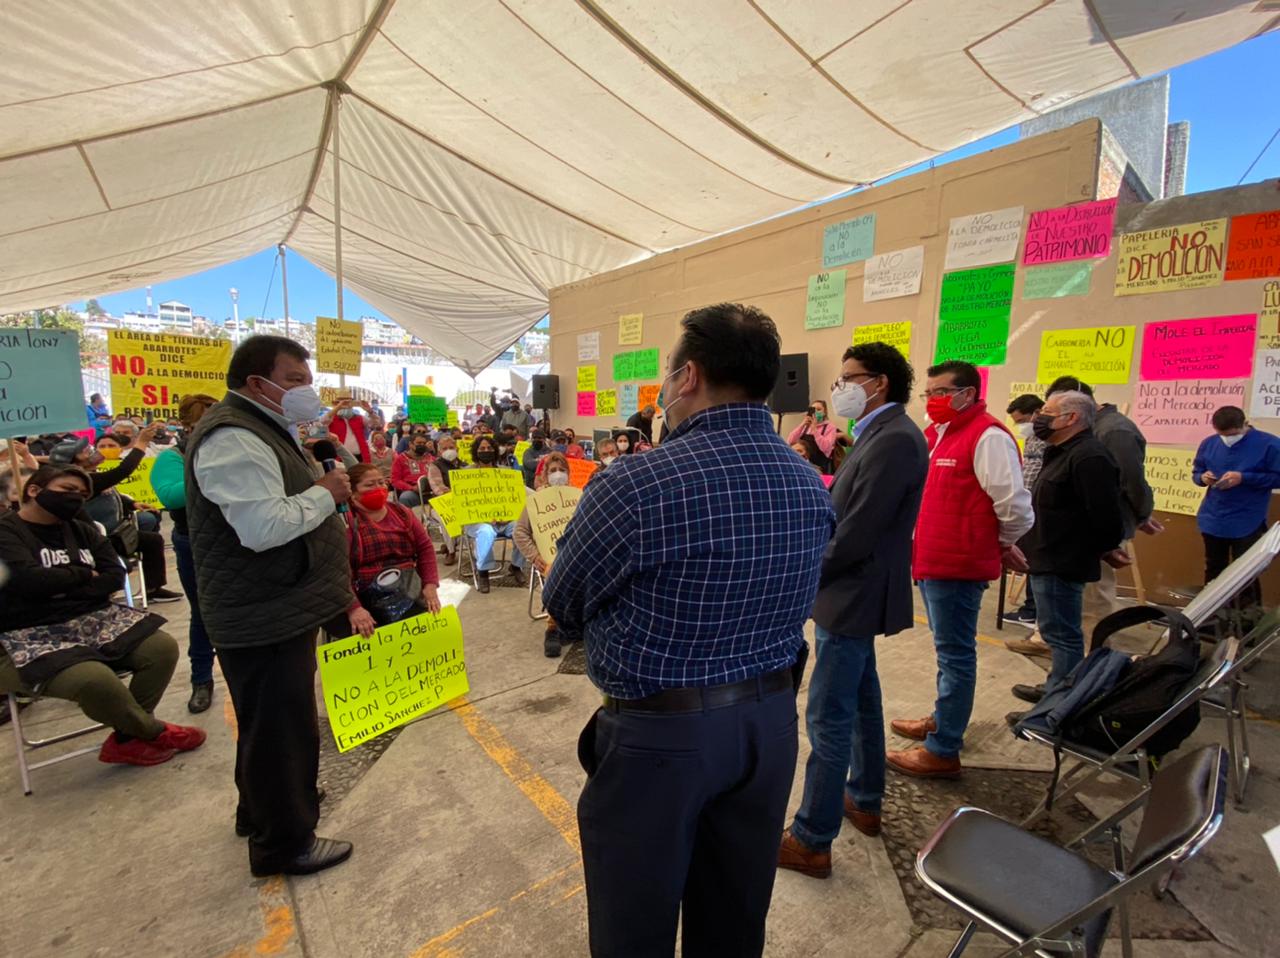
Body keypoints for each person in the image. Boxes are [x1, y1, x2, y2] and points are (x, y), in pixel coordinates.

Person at [545, 303, 834, 957]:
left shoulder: (635, 484)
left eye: (667, 374)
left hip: (660, 739)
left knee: (633, 928)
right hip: (769, 727)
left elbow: (564, 602)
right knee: (735, 917)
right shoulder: (808, 482)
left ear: (690, 377)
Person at [186, 335, 354, 877]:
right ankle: (283, 843)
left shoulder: (265, 429)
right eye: (294, 381)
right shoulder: (234, 437)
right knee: (282, 730)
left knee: (267, 727)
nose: (307, 391)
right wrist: (325, 493)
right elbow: (262, 527)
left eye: (309, 380)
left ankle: (261, 809)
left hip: (276, 604)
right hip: (264, 610)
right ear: (257, 383)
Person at [778, 342, 928, 879]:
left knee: (828, 715)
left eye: (849, 378)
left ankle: (812, 838)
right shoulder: (879, 434)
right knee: (862, 700)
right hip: (852, 593)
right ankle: (863, 797)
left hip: (853, 593)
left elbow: (855, 535)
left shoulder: (895, 440)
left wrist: (800, 577)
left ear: (879, 382)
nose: (839, 388)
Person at [0, 464, 205, 766]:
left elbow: (114, 575)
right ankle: (153, 732)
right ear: (34, 490)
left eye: (82, 495)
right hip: (25, 637)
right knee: (95, 680)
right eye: (68, 490)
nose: (76, 499)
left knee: (160, 649)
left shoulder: (80, 529)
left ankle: (127, 739)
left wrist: (61, 586)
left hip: (91, 621)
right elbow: (27, 581)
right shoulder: (7, 532)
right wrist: (84, 575)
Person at [887, 360, 1033, 780]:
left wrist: (999, 543)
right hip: (931, 560)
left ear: (967, 393)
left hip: (958, 565)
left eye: (941, 392)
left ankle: (943, 748)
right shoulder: (939, 435)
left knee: (955, 655)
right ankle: (943, 719)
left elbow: (1015, 507)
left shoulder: (987, 436)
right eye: (928, 393)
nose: (932, 400)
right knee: (946, 651)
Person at [1009, 391, 1128, 712]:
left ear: (1071, 418)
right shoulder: (1061, 451)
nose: (1039, 418)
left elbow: (1105, 515)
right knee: (1055, 632)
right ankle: (1057, 686)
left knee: (1063, 635)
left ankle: (1060, 704)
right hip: (1047, 557)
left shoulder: (1090, 457)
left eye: (1047, 412)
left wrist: (1105, 548)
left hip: (1062, 560)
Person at [149, 393, 220, 712]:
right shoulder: (173, 457)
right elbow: (172, 496)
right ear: (187, 425)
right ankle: (201, 678)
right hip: (194, 541)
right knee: (203, 613)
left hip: (237, 541)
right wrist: (216, 469)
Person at [1193, 406, 1280, 616]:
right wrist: (1202, 478)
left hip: (1247, 518)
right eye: (1222, 435)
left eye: (1232, 434)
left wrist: (1244, 478)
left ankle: (1248, 621)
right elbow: (1197, 472)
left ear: (1244, 425)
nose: (1227, 439)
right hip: (1213, 517)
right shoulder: (1209, 443)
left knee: (1244, 574)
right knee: (1214, 570)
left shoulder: (1270, 444)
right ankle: (1211, 619)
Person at [340, 465, 442, 638]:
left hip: (409, 590)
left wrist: (430, 585)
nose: (378, 488)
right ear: (353, 492)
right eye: (369, 485)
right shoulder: (346, 522)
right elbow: (340, 571)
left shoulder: (402, 513)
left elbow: (425, 548)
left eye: (381, 482)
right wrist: (354, 608)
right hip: (365, 600)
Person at [514, 452, 572, 657]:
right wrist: (534, 556)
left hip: (575, 556)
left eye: (562, 470)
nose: (558, 474)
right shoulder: (536, 501)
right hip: (549, 559)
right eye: (553, 470)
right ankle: (552, 628)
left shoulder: (578, 497)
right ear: (545, 475)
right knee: (557, 573)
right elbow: (520, 532)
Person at [1001, 393, 1047, 632]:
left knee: (1036, 561)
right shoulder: (1032, 439)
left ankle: (1033, 610)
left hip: (1039, 508)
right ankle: (1031, 608)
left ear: (1037, 413)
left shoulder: (1048, 439)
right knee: (1031, 559)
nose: (1020, 426)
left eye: (1022, 421)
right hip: (1028, 504)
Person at [462, 436, 528, 593]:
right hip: (477, 521)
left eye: (489, 448)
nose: (486, 451)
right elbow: (464, 503)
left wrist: (508, 516)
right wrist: (483, 517)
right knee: (486, 532)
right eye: (482, 448)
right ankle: (483, 572)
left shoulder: (505, 472)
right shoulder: (465, 474)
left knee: (522, 529)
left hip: (504, 520)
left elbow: (513, 499)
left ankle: (516, 566)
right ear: (476, 451)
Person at [426, 436, 462, 566]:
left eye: (451, 447)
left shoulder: (464, 466)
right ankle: (451, 551)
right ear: (439, 451)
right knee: (447, 518)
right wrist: (456, 494)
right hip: (442, 504)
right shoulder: (435, 466)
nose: (448, 450)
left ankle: (454, 545)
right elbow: (439, 488)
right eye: (444, 448)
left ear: (457, 449)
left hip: (462, 503)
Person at [786, 399, 846, 474]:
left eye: (819, 409)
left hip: (821, 468)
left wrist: (814, 429)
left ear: (824, 412)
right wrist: (802, 424)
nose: (816, 412)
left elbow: (826, 447)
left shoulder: (830, 427)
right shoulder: (806, 426)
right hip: (805, 465)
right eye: (813, 409)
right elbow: (790, 441)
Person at [322, 396, 384, 464]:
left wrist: (370, 412)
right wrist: (337, 408)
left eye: (348, 403)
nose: (345, 406)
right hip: (339, 458)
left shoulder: (359, 418)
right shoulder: (332, 419)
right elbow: (322, 422)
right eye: (343, 403)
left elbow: (376, 425)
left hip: (360, 457)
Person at [391, 433, 434, 508]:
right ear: (410, 444)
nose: (422, 445)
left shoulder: (430, 457)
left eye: (424, 443)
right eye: (419, 443)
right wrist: (412, 488)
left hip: (432, 490)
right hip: (413, 492)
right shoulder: (400, 459)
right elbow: (395, 480)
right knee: (405, 498)